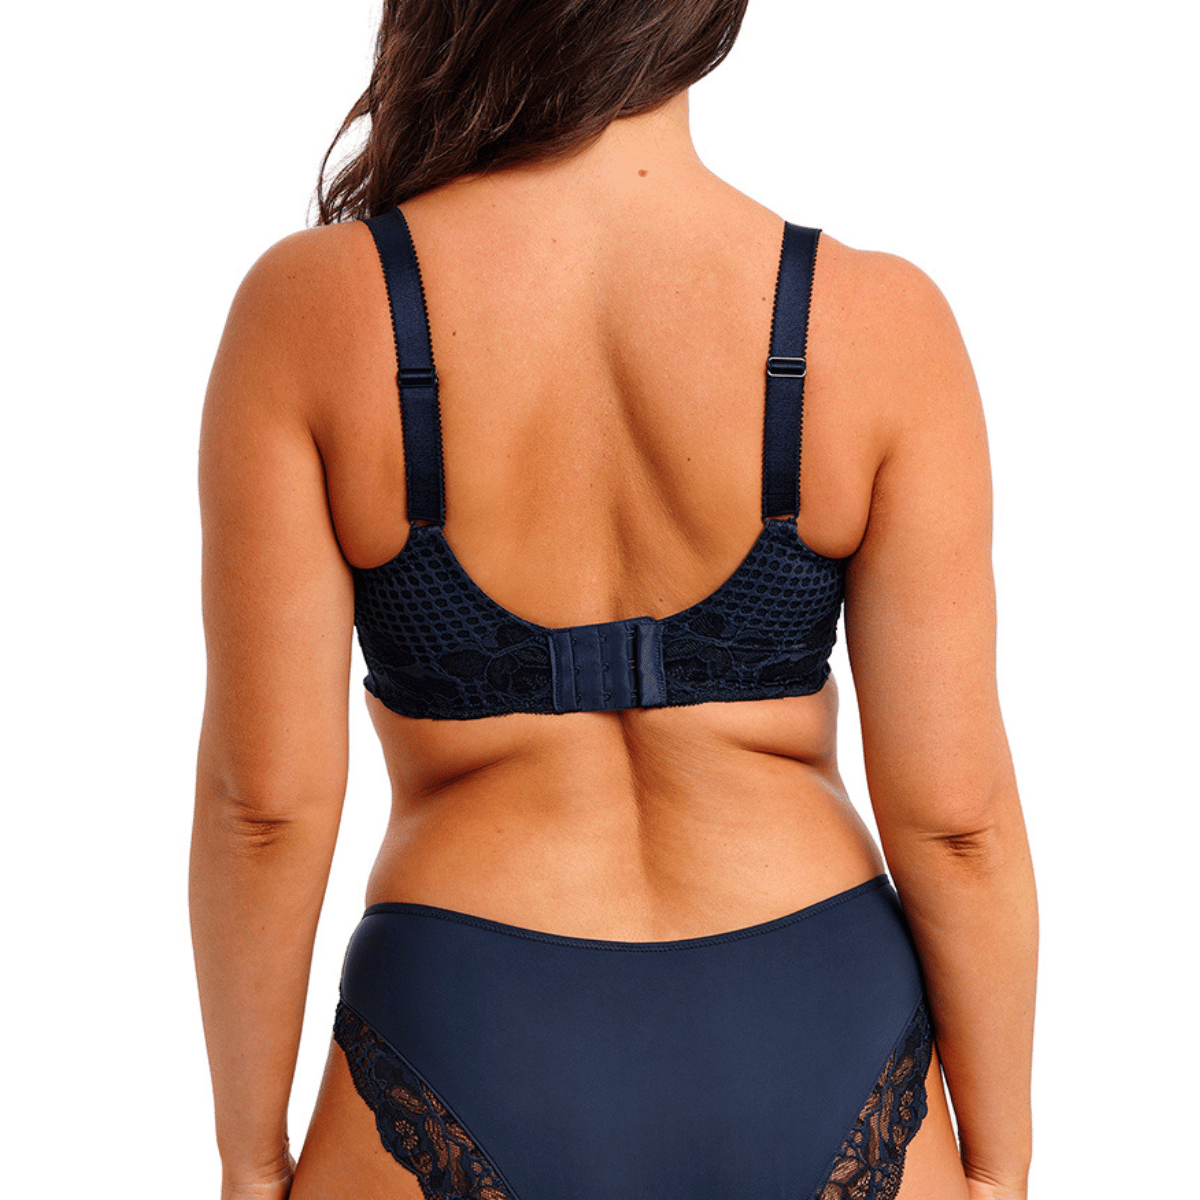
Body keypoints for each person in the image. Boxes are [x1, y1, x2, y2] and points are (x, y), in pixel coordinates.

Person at [190, 2, 1038, 1198]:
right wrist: (999, 1163)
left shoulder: (315, 310)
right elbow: (958, 820)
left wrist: (249, 1158)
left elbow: (263, 809)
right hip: (817, 1018)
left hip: (464, 1016)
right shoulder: (877, 321)